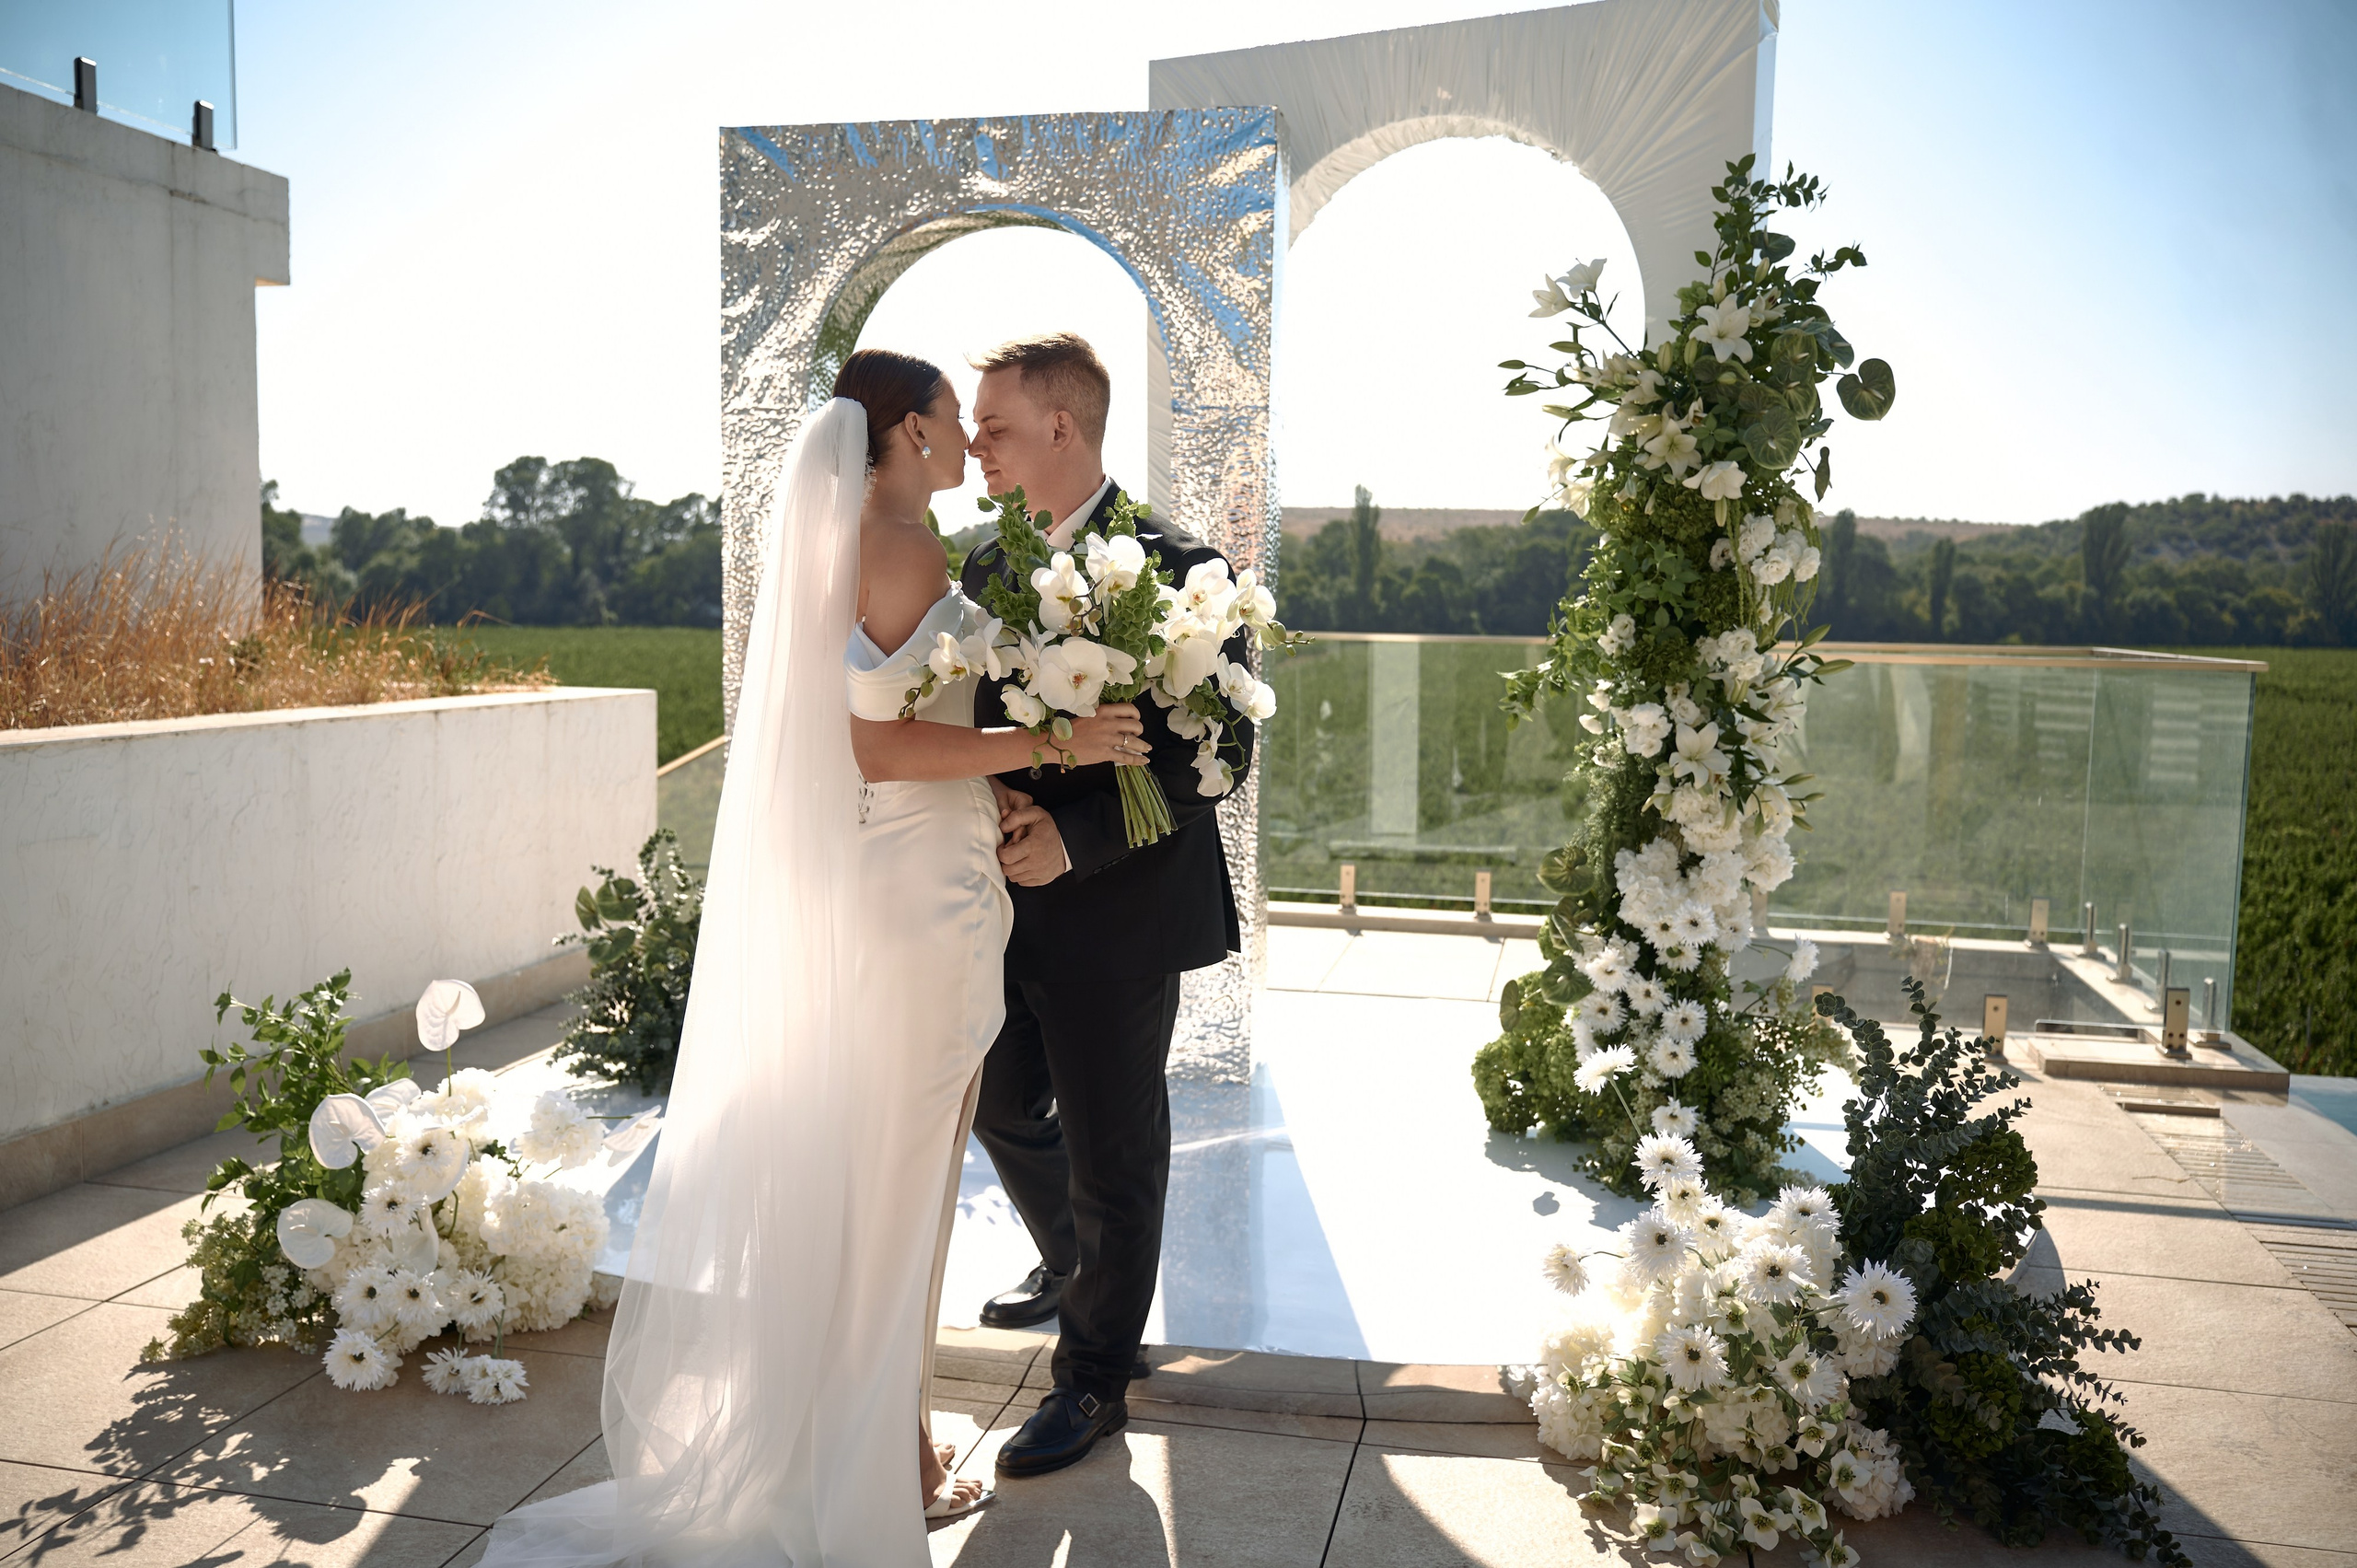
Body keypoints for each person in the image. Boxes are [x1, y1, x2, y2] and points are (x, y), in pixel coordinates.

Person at [476, 349, 1144, 1566]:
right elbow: (880, 750)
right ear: (901, 428)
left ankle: (868, 1438)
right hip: (920, 903)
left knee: (878, 1188)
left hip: (895, 888)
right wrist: (1051, 733)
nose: (966, 437)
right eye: (953, 417)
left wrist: (999, 749)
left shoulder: (854, 543)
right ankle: (872, 1469)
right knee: (902, 1198)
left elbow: (895, 728)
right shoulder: (908, 547)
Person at [958, 332, 1258, 1478]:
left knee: (1114, 1149)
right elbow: (960, 715)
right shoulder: (981, 569)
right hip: (994, 896)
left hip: (1121, 906)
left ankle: (1090, 1380)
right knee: (989, 1099)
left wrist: (1073, 838)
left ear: (1061, 429)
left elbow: (1216, 755)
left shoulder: (1183, 568)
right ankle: (1077, 1262)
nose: (976, 446)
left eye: (993, 426)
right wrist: (997, 807)